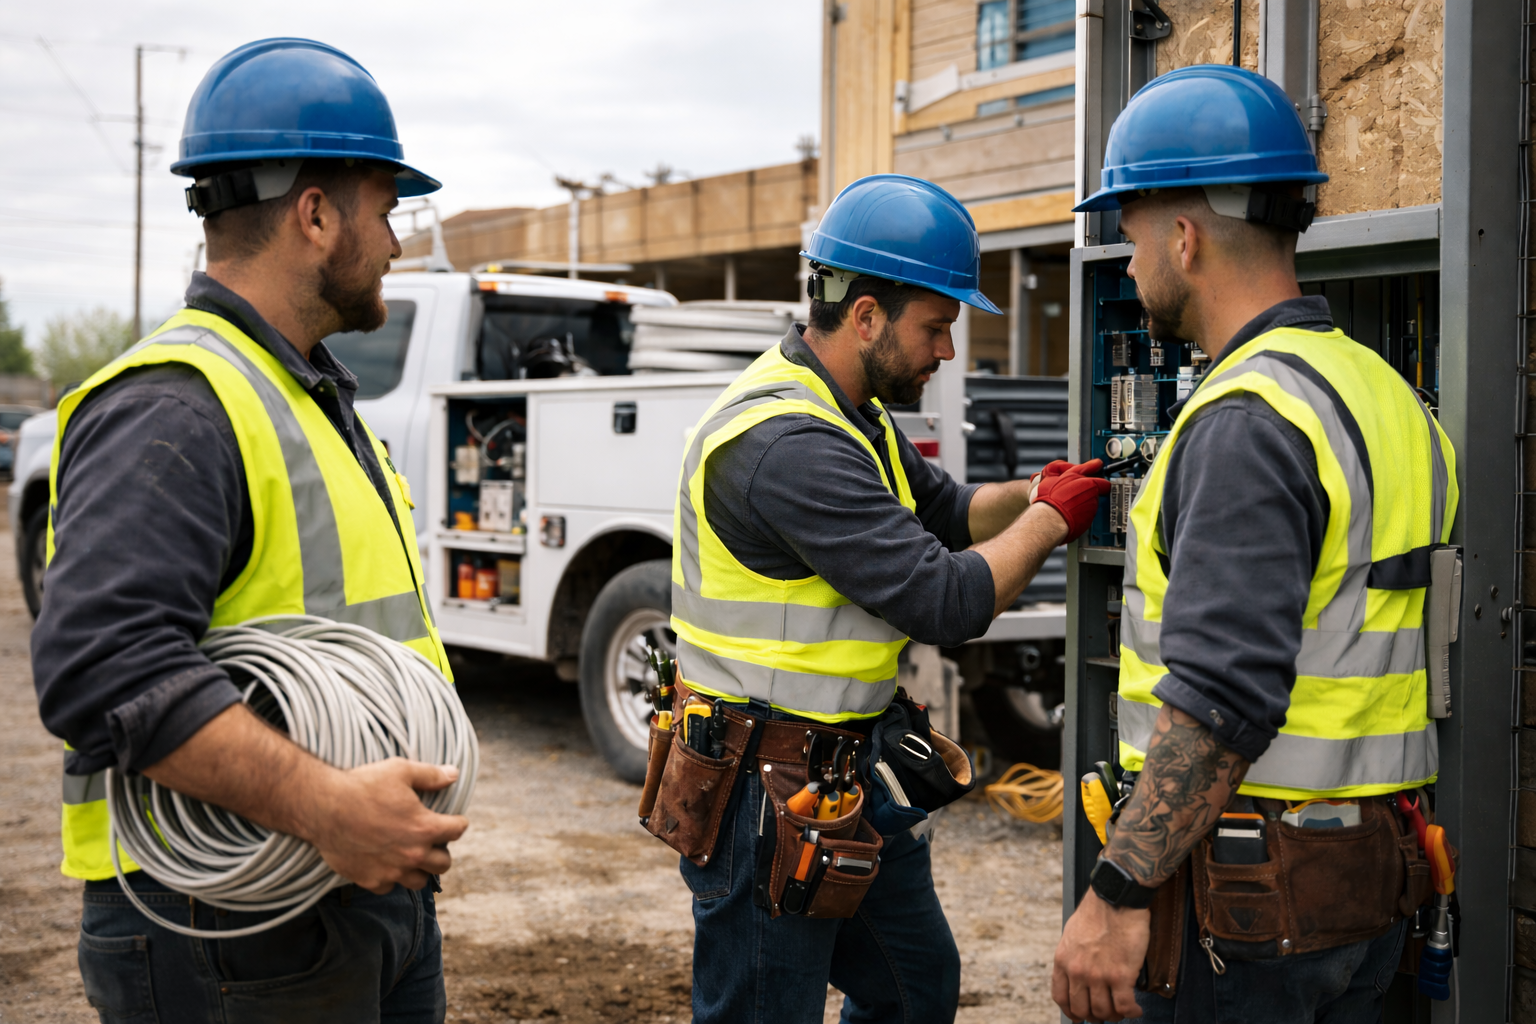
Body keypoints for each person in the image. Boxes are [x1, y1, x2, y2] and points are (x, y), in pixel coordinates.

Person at [33, 38, 468, 1023]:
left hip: (355, 898)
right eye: (386, 209)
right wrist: (328, 808)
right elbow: (102, 669)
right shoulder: (179, 404)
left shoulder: (302, 391)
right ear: (317, 215)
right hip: (224, 932)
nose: (397, 241)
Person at [1050, 65, 1457, 1023]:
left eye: (1133, 234)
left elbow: (1225, 696)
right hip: (1367, 893)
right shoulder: (1386, 398)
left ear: (1183, 239)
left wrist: (1115, 897)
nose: (1131, 259)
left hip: (1252, 904)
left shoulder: (1247, 419)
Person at [666, 173, 1111, 1023]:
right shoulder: (787, 445)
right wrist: (1053, 523)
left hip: (841, 771)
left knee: (913, 987)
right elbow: (945, 601)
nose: (947, 351)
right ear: (865, 315)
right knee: (766, 1008)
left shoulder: (850, 414)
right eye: (936, 328)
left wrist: (1032, 490)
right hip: (769, 792)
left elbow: (945, 512)